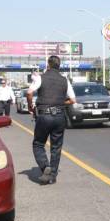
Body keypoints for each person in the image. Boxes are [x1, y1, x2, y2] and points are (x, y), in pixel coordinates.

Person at [27, 55, 76, 184]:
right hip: (59, 117)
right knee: (56, 147)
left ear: (48, 65)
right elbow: (72, 100)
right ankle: (53, 176)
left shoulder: (40, 78)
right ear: (59, 66)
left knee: (38, 144)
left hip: (44, 116)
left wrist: (30, 106)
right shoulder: (65, 80)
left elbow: (29, 93)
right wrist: (59, 104)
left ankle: (45, 167)